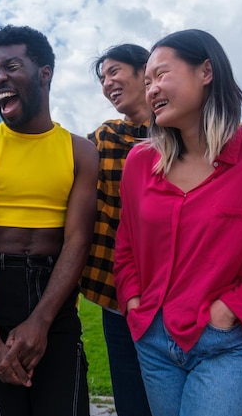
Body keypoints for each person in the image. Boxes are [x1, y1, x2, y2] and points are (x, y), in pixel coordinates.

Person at [113, 29, 242, 416]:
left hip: (229, 345)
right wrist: (135, 299)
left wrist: (231, 311)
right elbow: (127, 243)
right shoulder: (140, 163)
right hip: (154, 341)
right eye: (147, 82)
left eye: (161, 75)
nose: (152, 89)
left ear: (206, 71)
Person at [0, 25, 98, 416]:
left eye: (10, 66)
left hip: (55, 298)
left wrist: (41, 320)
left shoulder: (81, 152)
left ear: (45, 73)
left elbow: (77, 242)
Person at [80, 44, 152, 416]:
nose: (107, 83)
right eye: (102, 78)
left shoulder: (188, 131)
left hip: (181, 289)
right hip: (117, 293)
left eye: (114, 72)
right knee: (131, 397)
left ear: (146, 71)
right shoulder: (105, 138)